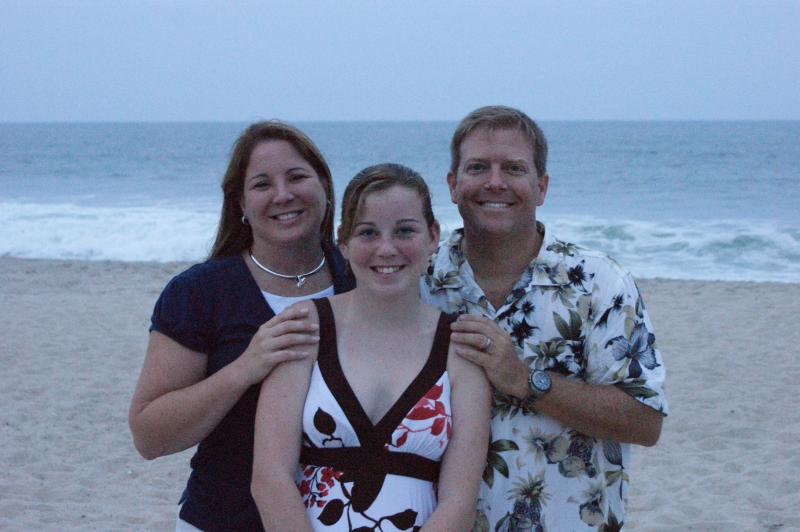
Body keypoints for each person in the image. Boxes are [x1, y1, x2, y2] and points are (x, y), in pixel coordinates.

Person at [420, 106, 668, 531]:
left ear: (541, 187)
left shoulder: (599, 283)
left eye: (514, 168)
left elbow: (645, 421)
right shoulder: (419, 282)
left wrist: (526, 381)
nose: (494, 182)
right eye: (477, 167)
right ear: (453, 185)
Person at [128, 121, 355, 532]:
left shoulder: (363, 279)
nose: (283, 195)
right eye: (262, 184)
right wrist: (244, 369)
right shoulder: (199, 292)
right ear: (241, 203)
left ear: (324, 185)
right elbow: (148, 437)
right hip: (223, 519)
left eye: (297, 177)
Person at [251, 164, 492, 531]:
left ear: (433, 237)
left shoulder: (460, 348)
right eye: (367, 232)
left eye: (404, 230)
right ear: (344, 244)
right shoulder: (305, 327)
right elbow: (270, 478)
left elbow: (459, 501)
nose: (386, 248)